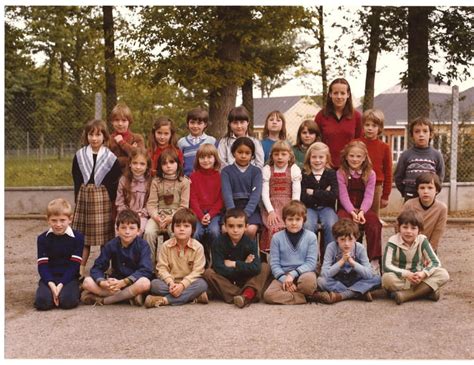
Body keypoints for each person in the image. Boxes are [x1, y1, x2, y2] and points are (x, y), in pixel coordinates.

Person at [71, 119, 122, 275]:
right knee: (83, 238)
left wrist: (111, 200)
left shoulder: (110, 157)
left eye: (98, 135)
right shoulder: (80, 155)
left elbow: (114, 181)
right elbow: (76, 178)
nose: (94, 138)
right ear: (86, 136)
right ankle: (79, 269)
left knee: (105, 239)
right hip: (85, 198)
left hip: (103, 199)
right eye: (91, 134)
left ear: (104, 136)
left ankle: (103, 268)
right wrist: (77, 198)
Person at [80, 209, 153, 306]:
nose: (127, 232)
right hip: (115, 284)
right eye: (123, 228)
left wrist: (124, 282)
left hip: (133, 282)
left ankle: (105, 301)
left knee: (145, 283)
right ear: (117, 229)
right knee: (87, 282)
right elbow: (97, 267)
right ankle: (127, 297)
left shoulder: (143, 245)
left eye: (132, 228)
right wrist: (102, 282)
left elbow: (146, 270)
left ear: (138, 231)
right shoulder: (111, 245)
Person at [204, 209, 271, 308]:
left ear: (246, 227)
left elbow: (256, 268)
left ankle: (242, 295)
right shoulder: (218, 243)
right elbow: (219, 268)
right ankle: (247, 294)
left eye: (239, 226)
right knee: (208, 273)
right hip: (226, 281)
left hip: (244, 279)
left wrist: (234, 264)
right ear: (225, 227)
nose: (235, 230)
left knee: (265, 267)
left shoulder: (249, 243)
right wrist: (245, 265)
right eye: (231, 226)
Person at [382, 210, 449, 305]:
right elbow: (386, 266)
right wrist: (406, 274)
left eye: (413, 228)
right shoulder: (393, 242)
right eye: (405, 227)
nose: (409, 231)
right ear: (399, 228)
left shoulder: (422, 240)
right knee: (387, 279)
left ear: (419, 230)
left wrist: (423, 273)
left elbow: (435, 262)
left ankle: (407, 295)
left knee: (443, 274)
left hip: (419, 278)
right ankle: (425, 292)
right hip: (401, 278)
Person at [144, 208, 209, 307]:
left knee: (202, 284)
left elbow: (198, 271)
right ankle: (193, 297)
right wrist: (171, 283)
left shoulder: (198, 247)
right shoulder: (166, 246)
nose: (181, 229)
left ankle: (164, 300)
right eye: (178, 226)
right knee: (154, 285)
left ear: (193, 230)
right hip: (170, 283)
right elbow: (161, 268)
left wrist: (182, 285)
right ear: (172, 228)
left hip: (189, 283)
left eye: (186, 226)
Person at [337, 140, 382, 273]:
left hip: (364, 208)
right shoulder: (341, 173)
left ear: (364, 158)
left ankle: (373, 261)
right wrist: (352, 211)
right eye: (351, 156)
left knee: (374, 224)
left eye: (358, 156)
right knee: (344, 224)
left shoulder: (370, 174)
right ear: (346, 156)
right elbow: (343, 196)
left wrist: (361, 211)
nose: (355, 159)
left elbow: (369, 196)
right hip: (346, 208)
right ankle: (347, 260)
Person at [263, 200, 318, 305]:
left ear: (304, 220)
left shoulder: (311, 237)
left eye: (298, 219)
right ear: (284, 220)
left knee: (308, 284)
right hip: (283, 275)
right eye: (290, 219)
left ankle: (301, 292)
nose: (294, 223)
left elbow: (311, 263)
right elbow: (274, 264)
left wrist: (293, 275)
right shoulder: (277, 238)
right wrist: (285, 279)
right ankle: (305, 298)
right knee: (268, 295)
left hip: (304, 273)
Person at [315, 219, 381, 304]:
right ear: (336, 239)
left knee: (377, 279)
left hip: (356, 279)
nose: (346, 244)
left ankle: (343, 295)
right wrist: (341, 261)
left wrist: (353, 263)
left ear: (356, 238)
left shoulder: (360, 248)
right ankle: (359, 293)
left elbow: (368, 274)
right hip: (338, 281)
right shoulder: (331, 247)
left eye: (350, 239)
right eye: (342, 239)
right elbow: (324, 273)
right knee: (321, 281)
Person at [34, 198, 84, 310]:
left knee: (68, 302)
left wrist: (61, 285)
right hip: (49, 277)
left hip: (69, 277)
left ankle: (74, 289)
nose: (58, 224)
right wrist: (52, 285)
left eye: (62, 220)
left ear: (70, 219)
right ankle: (48, 292)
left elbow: (74, 266)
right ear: (48, 220)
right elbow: (42, 265)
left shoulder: (78, 238)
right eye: (54, 220)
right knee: (42, 303)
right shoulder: (42, 238)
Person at [144, 149, 190, 269]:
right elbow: (151, 204)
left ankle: (173, 266)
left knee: (176, 233)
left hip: (177, 216)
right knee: (148, 232)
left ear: (178, 164)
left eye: (171, 162)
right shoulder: (156, 181)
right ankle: (149, 267)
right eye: (164, 163)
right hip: (158, 215)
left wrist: (171, 218)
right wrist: (157, 217)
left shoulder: (184, 182)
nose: (168, 166)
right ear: (160, 166)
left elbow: (184, 206)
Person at [260, 140, 302, 252]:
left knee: (290, 225)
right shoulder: (267, 169)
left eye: (283, 154)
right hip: (272, 205)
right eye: (276, 154)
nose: (279, 157)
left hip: (289, 205)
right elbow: (264, 193)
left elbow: (296, 192)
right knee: (273, 226)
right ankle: (272, 256)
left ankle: (291, 254)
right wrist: (270, 211)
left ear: (290, 156)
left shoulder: (293, 169)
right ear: (272, 156)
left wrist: (293, 209)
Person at [221, 137, 262, 241]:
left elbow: (255, 195)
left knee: (250, 229)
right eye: (240, 152)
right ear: (234, 153)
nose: (243, 155)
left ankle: (248, 253)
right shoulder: (226, 171)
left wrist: (246, 214)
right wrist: (232, 213)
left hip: (250, 208)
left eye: (247, 153)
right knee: (225, 230)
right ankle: (230, 254)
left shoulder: (256, 172)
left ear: (252, 155)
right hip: (231, 207)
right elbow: (227, 193)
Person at [315, 78, 362, 169]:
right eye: (335, 93)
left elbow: (359, 142)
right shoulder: (321, 116)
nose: (339, 96)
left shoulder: (356, 116)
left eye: (343, 93)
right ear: (330, 94)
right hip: (325, 167)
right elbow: (316, 142)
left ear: (348, 95)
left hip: (349, 167)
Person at [394, 116, 445, 200]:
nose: (421, 135)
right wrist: (405, 192)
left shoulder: (437, 155)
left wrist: (433, 191)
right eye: (417, 131)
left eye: (425, 131)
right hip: (410, 195)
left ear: (430, 134)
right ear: (412, 135)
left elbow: (440, 177)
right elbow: (398, 176)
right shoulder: (406, 155)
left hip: (429, 197)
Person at [189, 143, 224, 266]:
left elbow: (220, 200)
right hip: (197, 213)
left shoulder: (219, 177)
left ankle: (216, 262)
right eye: (202, 157)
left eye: (209, 157)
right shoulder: (193, 176)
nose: (206, 160)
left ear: (215, 159)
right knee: (196, 232)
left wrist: (210, 214)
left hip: (213, 214)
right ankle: (198, 262)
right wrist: (200, 215)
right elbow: (192, 199)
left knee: (214, 231)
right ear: (197, 159)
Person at [354, 109, 392, 216]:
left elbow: (388, 172)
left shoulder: (384, 147)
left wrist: (385, 195)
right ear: (363, 126)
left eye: (374, 126)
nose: (370, 128)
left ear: (380, 128)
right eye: (367, 125)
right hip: (356, 184)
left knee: (373, 217)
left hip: (376, 187)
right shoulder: (355, 143)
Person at [300, 141, 338, 248]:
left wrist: (313, 192)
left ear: (327, 158)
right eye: (314, 157)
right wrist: (324, 193)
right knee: (308, 225)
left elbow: (333, 195)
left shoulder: (331, 173)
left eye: (321, 157)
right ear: (309, 158)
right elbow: (303, 197)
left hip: (327, 208)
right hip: (309, 209)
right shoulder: (304, 174)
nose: (317, 160)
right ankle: (311, 259)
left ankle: (328, 259)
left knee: (331, 225)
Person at [401, 172, 447, 253]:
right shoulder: (409, 204)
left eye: (430, 188)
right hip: (407, 246)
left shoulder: (441, 208)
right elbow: (399, 226)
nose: (425, 191)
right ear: (417, 190)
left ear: (437, 190)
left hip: (428, 247)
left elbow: (438, 232)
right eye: (422, 188)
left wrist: (429, 252)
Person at [115, 147, 152, 236]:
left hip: (141, 216)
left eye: (142, 164)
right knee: (120, 231)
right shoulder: (123, 180)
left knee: (136, 231)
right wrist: (127, 214)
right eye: (135, 163)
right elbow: (119, 202)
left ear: (147, 166)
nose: (138, 167)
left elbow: (150, 203)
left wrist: (141, 213)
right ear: (130, 164)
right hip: (125, 214)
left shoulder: (150, 182)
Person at [177, 107, 217, 177]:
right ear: (188, 123)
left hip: (207, 178)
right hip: (187, 179)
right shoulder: (181, 142)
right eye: (192, 122)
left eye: (199, 123)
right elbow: (179, 162)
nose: (195, 126)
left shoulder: (212, 141)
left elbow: (216, 161)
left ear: (205, 125)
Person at [108, 103, 145, 172]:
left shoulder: (137, 138)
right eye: (116, 120)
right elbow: (108, 162)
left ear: (129, 121)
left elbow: (140, 158)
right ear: (112, 122)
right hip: (113, 176)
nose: (120, 124)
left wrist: (122, 143)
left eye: (124, 120)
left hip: (133, 176)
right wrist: (130, 156)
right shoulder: (108, 139)